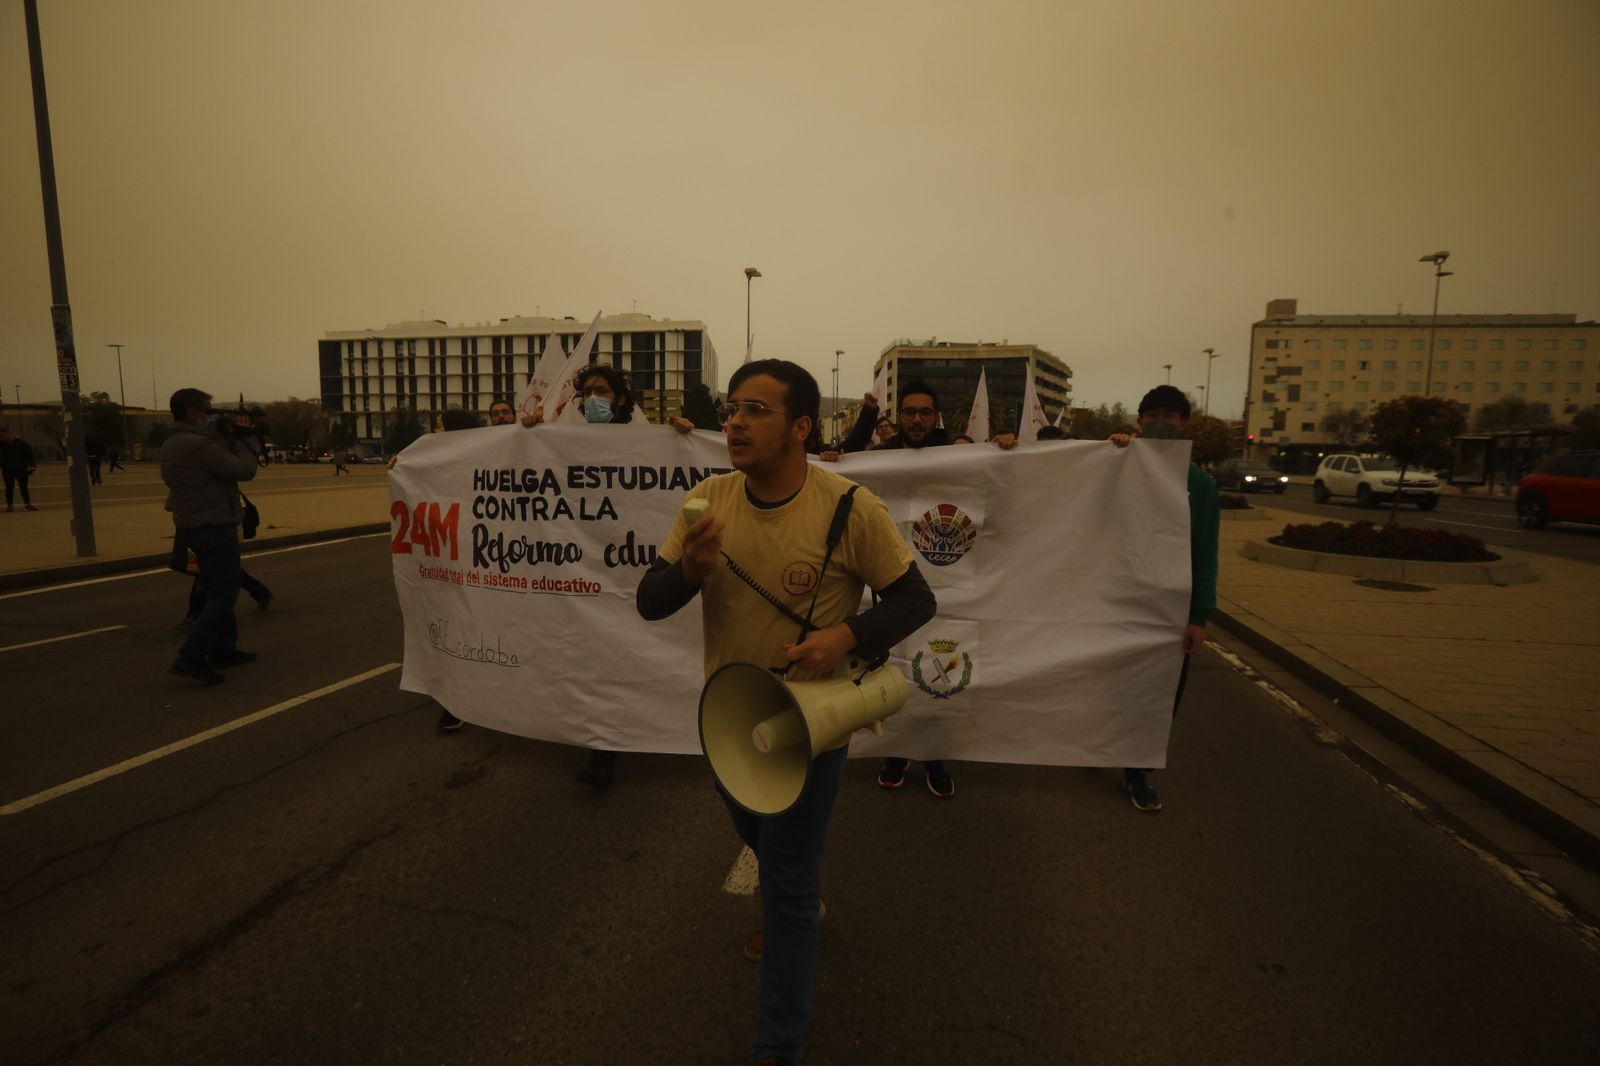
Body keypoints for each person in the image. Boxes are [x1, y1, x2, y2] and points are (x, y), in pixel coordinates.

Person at [637, 359, 935, 1066]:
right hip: (727, 721)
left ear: (801, 427)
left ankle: (778, 1042)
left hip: (809, 729)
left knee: (788, 879)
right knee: (760, 841)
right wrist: (690, 572)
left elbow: (915, 600)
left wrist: (847, 636)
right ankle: (793, 899)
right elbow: (649, 601)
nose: (735, 423)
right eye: (732, 408)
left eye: (756, 410)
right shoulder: (708, 499)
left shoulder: (850, 508)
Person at [822, 380, 1017, 797]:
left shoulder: (958, 454)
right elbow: (845, 464)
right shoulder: (883, 456)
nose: (916, 419)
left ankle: (934, 757)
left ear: (936, 417)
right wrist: (839, 453)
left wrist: (1005, 446)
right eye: (909, 412)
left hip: (950, 589)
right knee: (894, 672)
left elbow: (1003, 486)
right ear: (899, 416)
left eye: (924, 412)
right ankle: (897, 752)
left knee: (939, 675)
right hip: (895, 588)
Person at [521, 364, 693, 784]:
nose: (594, 399)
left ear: (620, 398)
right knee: (598, 657)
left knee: (629, 656)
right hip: (586, 567)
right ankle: (604, 748)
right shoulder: (564, 437)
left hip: (631, 571)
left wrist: (683, 437)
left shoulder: (645, 437)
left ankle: (643, 730)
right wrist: (530, 434)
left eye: (603, 391)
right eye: (587, 392)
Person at [1108, 384, 1219, 812]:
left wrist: (1199, 616)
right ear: (1139, 421)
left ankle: (1138, 772)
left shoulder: (1201, 485)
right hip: (1114, 601)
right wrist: (1108, 453)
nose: (1160, 423)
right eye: (1151, 415)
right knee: (1104, 681)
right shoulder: (1117, 465)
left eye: (1169, 416)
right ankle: (1094, 744)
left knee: (1157, 692)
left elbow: (1205, 551)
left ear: (1184, 423)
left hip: (1167, 610)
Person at [160, 389, 260, 684]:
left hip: (193, 527)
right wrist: (246, 439)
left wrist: (227, 434)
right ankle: (190, 657)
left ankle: (223, 649)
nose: (210, 416)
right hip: (213, 527)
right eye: (208, 410)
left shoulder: (173, 443)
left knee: (217, 590)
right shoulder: (197, 445)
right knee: (224, 594)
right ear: (193, 412)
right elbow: (243, 469)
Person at [0, 427, 39, 512]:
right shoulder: (1, 445)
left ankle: (27, 505)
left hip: (21, 469)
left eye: (3, 435)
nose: (2, 437)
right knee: (9, 488)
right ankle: (10, 506)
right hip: (7, 470)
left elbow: (30, 455)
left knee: (24, 487)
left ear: (8, 433)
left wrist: (32, 466)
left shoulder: (21, 443)